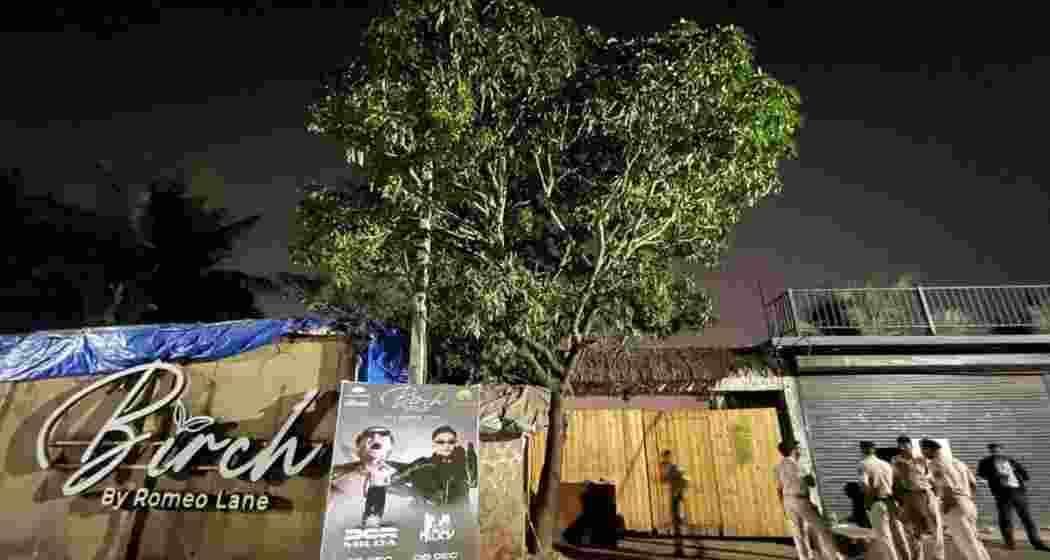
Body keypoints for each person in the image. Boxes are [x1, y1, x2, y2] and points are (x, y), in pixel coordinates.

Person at [327, 426, 414, 528]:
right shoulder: (338, 474)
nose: (375, 436)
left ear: (390, 447)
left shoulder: (402, 471)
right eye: (369, 435)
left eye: (383, 435)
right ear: (359, 447)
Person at [919, 439, 991, 560]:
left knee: (967, 543)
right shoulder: (958, 462)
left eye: (923, 450)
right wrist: (966, 499)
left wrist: (946, 507)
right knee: (975, 541)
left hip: (954, 505)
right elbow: (973, 484)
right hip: (967, 503)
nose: (922, 453)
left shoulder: (935, 463)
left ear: (929, 449)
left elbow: (947, 486)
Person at [775, 440, 843, 560]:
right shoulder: (798, 465)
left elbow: (779, 488)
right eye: (798, 448)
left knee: (798, 531)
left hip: (787, 501)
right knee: (822, 527)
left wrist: (783, 506)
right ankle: (834, 556)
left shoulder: (778, 467)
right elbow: (811, 483)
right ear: (793, 450)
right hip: (801, 500)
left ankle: (805, 557)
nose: (800, 450)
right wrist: (811, 473)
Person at [976, 443, 1049, 551]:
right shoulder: (985, 462)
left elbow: (1025, 475)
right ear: (990, 452)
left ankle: (1037, 543)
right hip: (1002, 493)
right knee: (1006, 520)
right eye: (993, 451)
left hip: (1018, 492)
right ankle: (1010, 543)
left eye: (998, 450)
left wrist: (1016, 472)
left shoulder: (1011, 460)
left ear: (1002, 450)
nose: (996, 452)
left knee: (1027, 519)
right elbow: (981, 475)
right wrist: (996, 477)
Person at [892, 435, 944, 560]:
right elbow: (896, 480)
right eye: (900, 445)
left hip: (924, 493)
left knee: (934, 525)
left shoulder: (921, 459)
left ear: (911, 445)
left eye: (905, 444)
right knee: (913, 529)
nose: (903, 447)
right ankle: (917, 557)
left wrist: (937, 496)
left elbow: (931, 478)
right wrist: (900, 499)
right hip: (909, 495)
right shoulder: (896, 460)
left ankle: (939, 556)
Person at [400, 425, 479, 507]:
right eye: (441, 442)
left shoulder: (462, 464)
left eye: (451, 442)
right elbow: (394, 482)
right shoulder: (422, 464)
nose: (446, 445)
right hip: (428, 512)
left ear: (455, 443)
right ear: (433, 444)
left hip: (460, 513)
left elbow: (473, 483)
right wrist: (417, 493)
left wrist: (471, 464)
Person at [858, 441, 908, 560]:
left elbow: (864, 485)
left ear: (862, 449)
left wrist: (868, 498)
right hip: (891, 501)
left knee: (884, 537)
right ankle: (907, 557)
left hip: (877, 502)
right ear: (874, 449)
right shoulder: (886, 464)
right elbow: (897, 483)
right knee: (899, 534)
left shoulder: (863, 464)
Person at [660, 450, 690, 555]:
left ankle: (680, 549)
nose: (664, 460)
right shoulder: (670, 469)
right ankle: (679, 548)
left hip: (677, 498)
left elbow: (685, 479)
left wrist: (680, 492)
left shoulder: (675, 468)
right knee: (677, 523)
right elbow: (663, 480)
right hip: (676, 497)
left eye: (665, 457)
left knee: (678, 523)